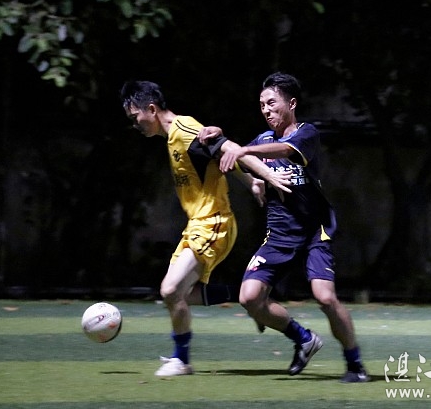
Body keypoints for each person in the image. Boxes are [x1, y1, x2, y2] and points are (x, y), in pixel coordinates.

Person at [199, 72, 370, 383]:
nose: (266, 110)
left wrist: (242, 150)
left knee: (325, 298)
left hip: (314, 233)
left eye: (271, 103)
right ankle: (303, 339)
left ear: (291, 104)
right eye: (262, 105)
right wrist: (221, 138)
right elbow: (234, 155)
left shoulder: (306, 134)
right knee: (249, 298)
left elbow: (284, 151)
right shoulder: (262, 140)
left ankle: (355, 364)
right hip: (279, 236)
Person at [120, 80, 293, 377]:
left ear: (151, 108)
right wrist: (250, 182)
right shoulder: (172, 137)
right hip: (197, 225)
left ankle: (181, 360)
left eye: (135, 117)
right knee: (180, 294)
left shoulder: (185, 129)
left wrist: (266, 175)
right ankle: (244, 298)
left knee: (171, 289)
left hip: (214, 222)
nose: (135, 125)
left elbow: (230, 149)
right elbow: (221, 158)